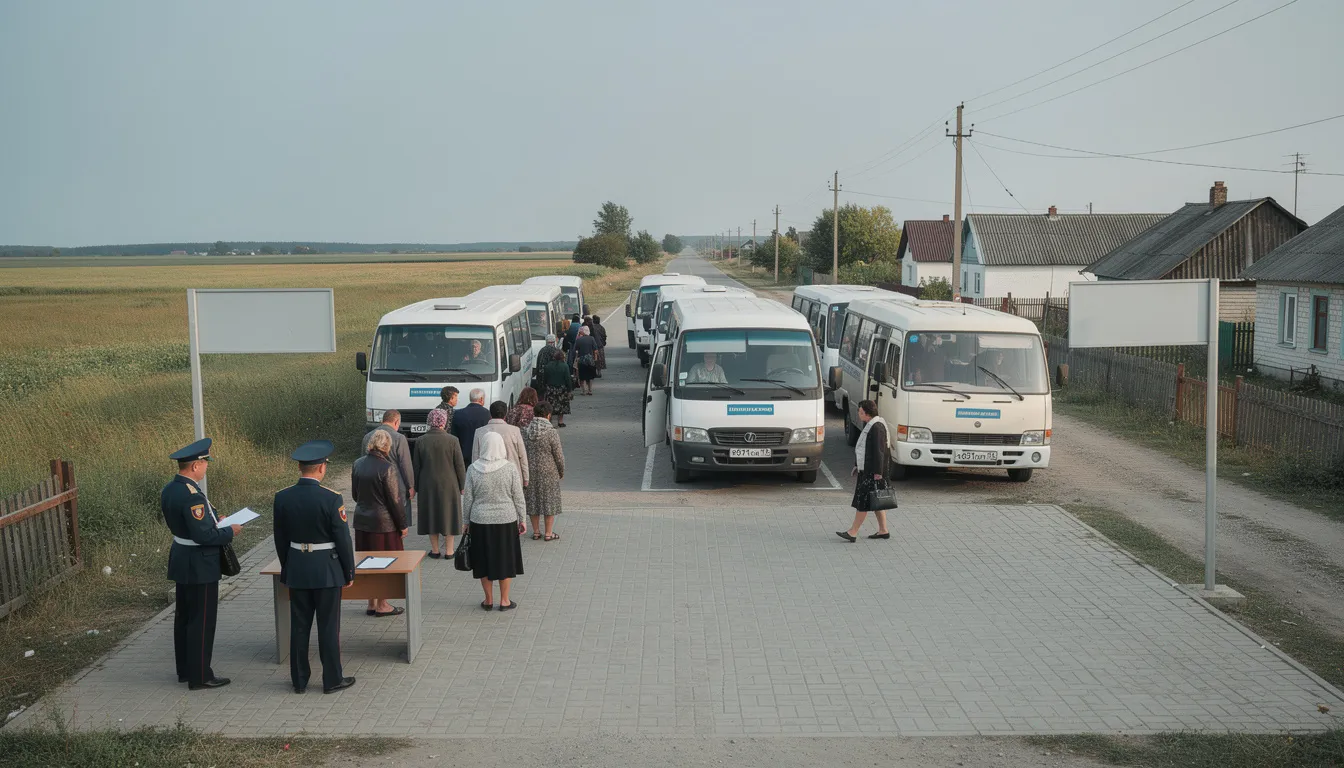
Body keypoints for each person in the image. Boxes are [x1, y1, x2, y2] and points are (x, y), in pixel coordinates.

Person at [272, 440, 356, 695]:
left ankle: (299, 680)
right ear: (321, 468)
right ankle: (332, 679)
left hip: (298, 566)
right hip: (327, 570)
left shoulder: (283, 497)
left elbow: (280, 537)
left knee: (299, 626)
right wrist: (348, 570)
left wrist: (288, 566)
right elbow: (342, 538)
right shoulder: (331, 498)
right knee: (328, 627)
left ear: (300, 467)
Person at [161, 437, 241, 690]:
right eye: (205, 463)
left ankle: (185, 669)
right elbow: (203, 536)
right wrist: (230, 531)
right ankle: (201, 675)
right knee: (202, 620)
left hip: (182, 558)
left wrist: (216, 520)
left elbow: (194, 525)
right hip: (200, 562)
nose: (207, 467)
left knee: (184, 618)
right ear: (195, 465)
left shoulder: (172, 489)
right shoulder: (192, 495)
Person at [463, 432, 527, 611]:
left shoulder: (473, 469)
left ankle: (488, 600)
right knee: (505, 560)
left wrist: (465, 521)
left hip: (480, 520)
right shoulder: (510, 468)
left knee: (483, 560)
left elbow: (468, 498)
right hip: (506, 520)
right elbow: (518, 496)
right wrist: (522, 518)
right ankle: (505, 600)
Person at [351, 430, 408, 617]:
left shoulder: (357, 464)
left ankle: (371, 603)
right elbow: (395, 501)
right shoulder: (387, 468)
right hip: (384, 525)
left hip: (362, 522)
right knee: (385, 564)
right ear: (386, 446)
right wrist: (402, 525)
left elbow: (354, 494)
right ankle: (383, 604)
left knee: (365, 562)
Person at [413, 408, 467, 559]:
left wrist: (415, 487)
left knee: (431, 515)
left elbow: (416, 466)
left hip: (427, 484)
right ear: (444, 421)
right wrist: (463, 486)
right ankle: (449, 551)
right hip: (450, 484)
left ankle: (435, 550)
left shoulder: (420, 441)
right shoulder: (453, 440)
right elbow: (460, 465)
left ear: (429, 421)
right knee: (449, 515)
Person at [838, 400, 892, 542]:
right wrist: (857, 465)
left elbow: (879, 451)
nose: (858, 413)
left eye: (860, 411)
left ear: (866, 413)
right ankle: (883, 530)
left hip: (872, 473)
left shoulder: (877, 427)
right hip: (870, 471)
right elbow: (865, 450)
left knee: (863, 502)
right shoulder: (872, 425)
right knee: (876, 500)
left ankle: (853, 532)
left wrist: (878, 473)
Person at [361, 410, 414, 526]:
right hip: (395, 486)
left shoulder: (367, 437)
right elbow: (405, 464)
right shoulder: (399, 438)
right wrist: (410, 486)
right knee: (397, 522)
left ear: (383, 420)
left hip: (372, 486)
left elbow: (363, 461)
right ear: (396, 421)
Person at [522, 403, 565, 541]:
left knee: (533, 500)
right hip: (548, 471)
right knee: (549, 501)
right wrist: (561, 470)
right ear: (548, 415)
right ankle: (548, 533)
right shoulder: (551, 432)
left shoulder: (526, 431)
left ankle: (535, 532)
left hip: (530, 470)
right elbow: (558, 455)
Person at [473, 401, 530, 486]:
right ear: (505, 415)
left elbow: (475, 456)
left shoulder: (479, 431)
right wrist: (526, 478)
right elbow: (522, 455)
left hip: (486, 476)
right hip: (512, 477)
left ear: (490, 414)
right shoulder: (514, 430)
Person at [451, 388, 492, 464]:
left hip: (462, 455)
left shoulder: (458, 414)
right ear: (481, 399)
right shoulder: (487, 414)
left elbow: (454, 435)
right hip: (481, 455)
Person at [540, 349, 573, 427]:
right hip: (561, 388)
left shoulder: (548, 366)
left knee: (550, 404)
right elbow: (568, 379)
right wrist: (569, 389)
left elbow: (544, 378)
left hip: (550, 388)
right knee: (562, 405)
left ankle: (550, 421)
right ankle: (560, 421)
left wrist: (544, 386)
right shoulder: (565, 366)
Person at [573, 325, 600, 395]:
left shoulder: (579, 340)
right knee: (590, 376)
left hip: (581, 360)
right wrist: (596, 359)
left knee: (582, 377)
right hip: (590, 360)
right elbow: (595, 350)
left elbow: (575, 350)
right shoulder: (592, 339)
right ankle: (590, 390)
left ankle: (583, 391)